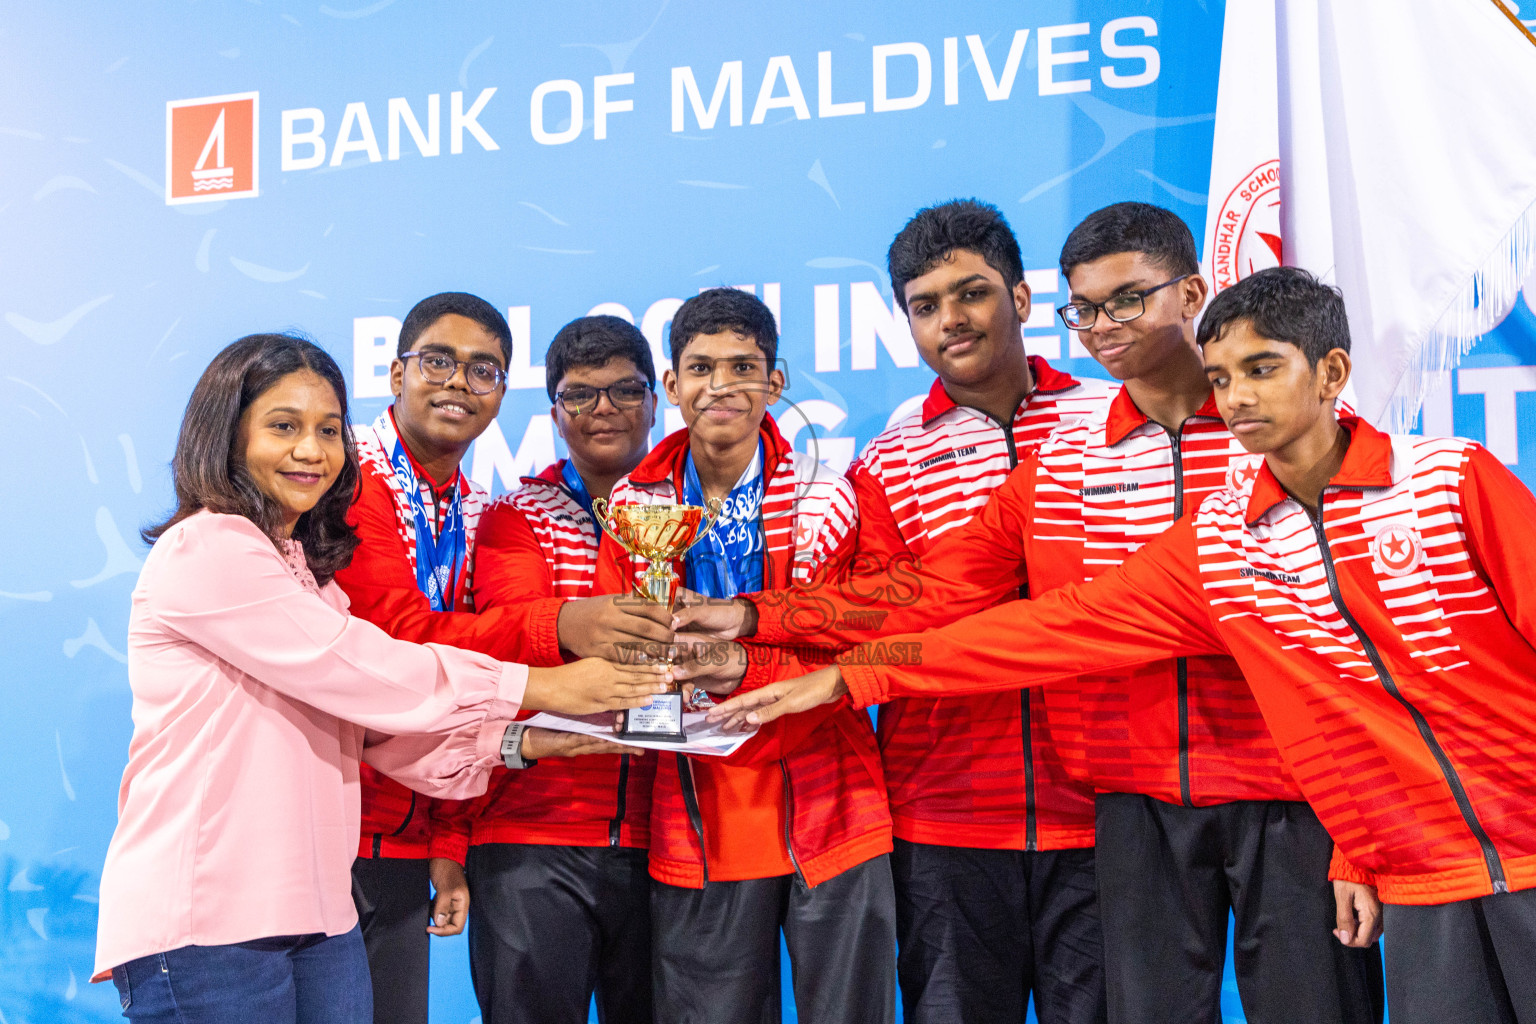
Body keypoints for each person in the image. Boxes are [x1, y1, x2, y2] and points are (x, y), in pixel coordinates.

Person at [709, 266, 1536, 1024]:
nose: (1240, 398)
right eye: (1223, 378)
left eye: (1263, 369)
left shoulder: (1447, 478)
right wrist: (850, 675)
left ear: (1330, 373)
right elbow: (1038, 629)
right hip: (1423, 873)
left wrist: (1352, 844)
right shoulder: (1220, 543)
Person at [95, 333, 668, 1024]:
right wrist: (538, 687)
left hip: (316, 910)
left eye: (329, 430)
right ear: (226, 435)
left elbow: (375, 734)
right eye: (284, 427)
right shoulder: (210, 545)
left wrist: (529, 741)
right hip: (210, 919)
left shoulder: (306, 573)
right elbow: (364, 670)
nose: (312, 450)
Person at [821, 199, 1116, 1023]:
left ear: (1021, 300)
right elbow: (889, 623)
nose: (951, 319)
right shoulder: (888, 458)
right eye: (925, 305)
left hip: (1103, 812)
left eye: (972, 293)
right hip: (944, 813)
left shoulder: (1110, 422)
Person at [333, 295, 647, 1024]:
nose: (457, 383)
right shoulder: (348, 476)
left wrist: (446, 835)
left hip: (404, 828)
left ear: (504, 393)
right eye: (437, 361)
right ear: (395, 371)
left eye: (483, 370)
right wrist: (562, 633)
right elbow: (400, 640)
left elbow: (459, 693)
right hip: (327, 818)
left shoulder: (466, 506)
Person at [596, 288, 896, 1024]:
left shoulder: (839, 493)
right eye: (700, 367)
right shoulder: (634, 509)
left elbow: (876, 637)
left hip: (832, 801)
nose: (720, 384)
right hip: (700, 810)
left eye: (743, 365)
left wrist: (750, 667)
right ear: (671, 386)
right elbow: (620, 649)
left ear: (776, 382)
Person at [447, 315, 661, 1024]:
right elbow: (508, 640)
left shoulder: (690, 512)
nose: (603, 410)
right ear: (555, 414)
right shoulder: (516, 516)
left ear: (655, 400)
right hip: (530, 836)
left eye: (623, 391)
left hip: (666, 837)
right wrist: (575, 626)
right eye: (580, 396)